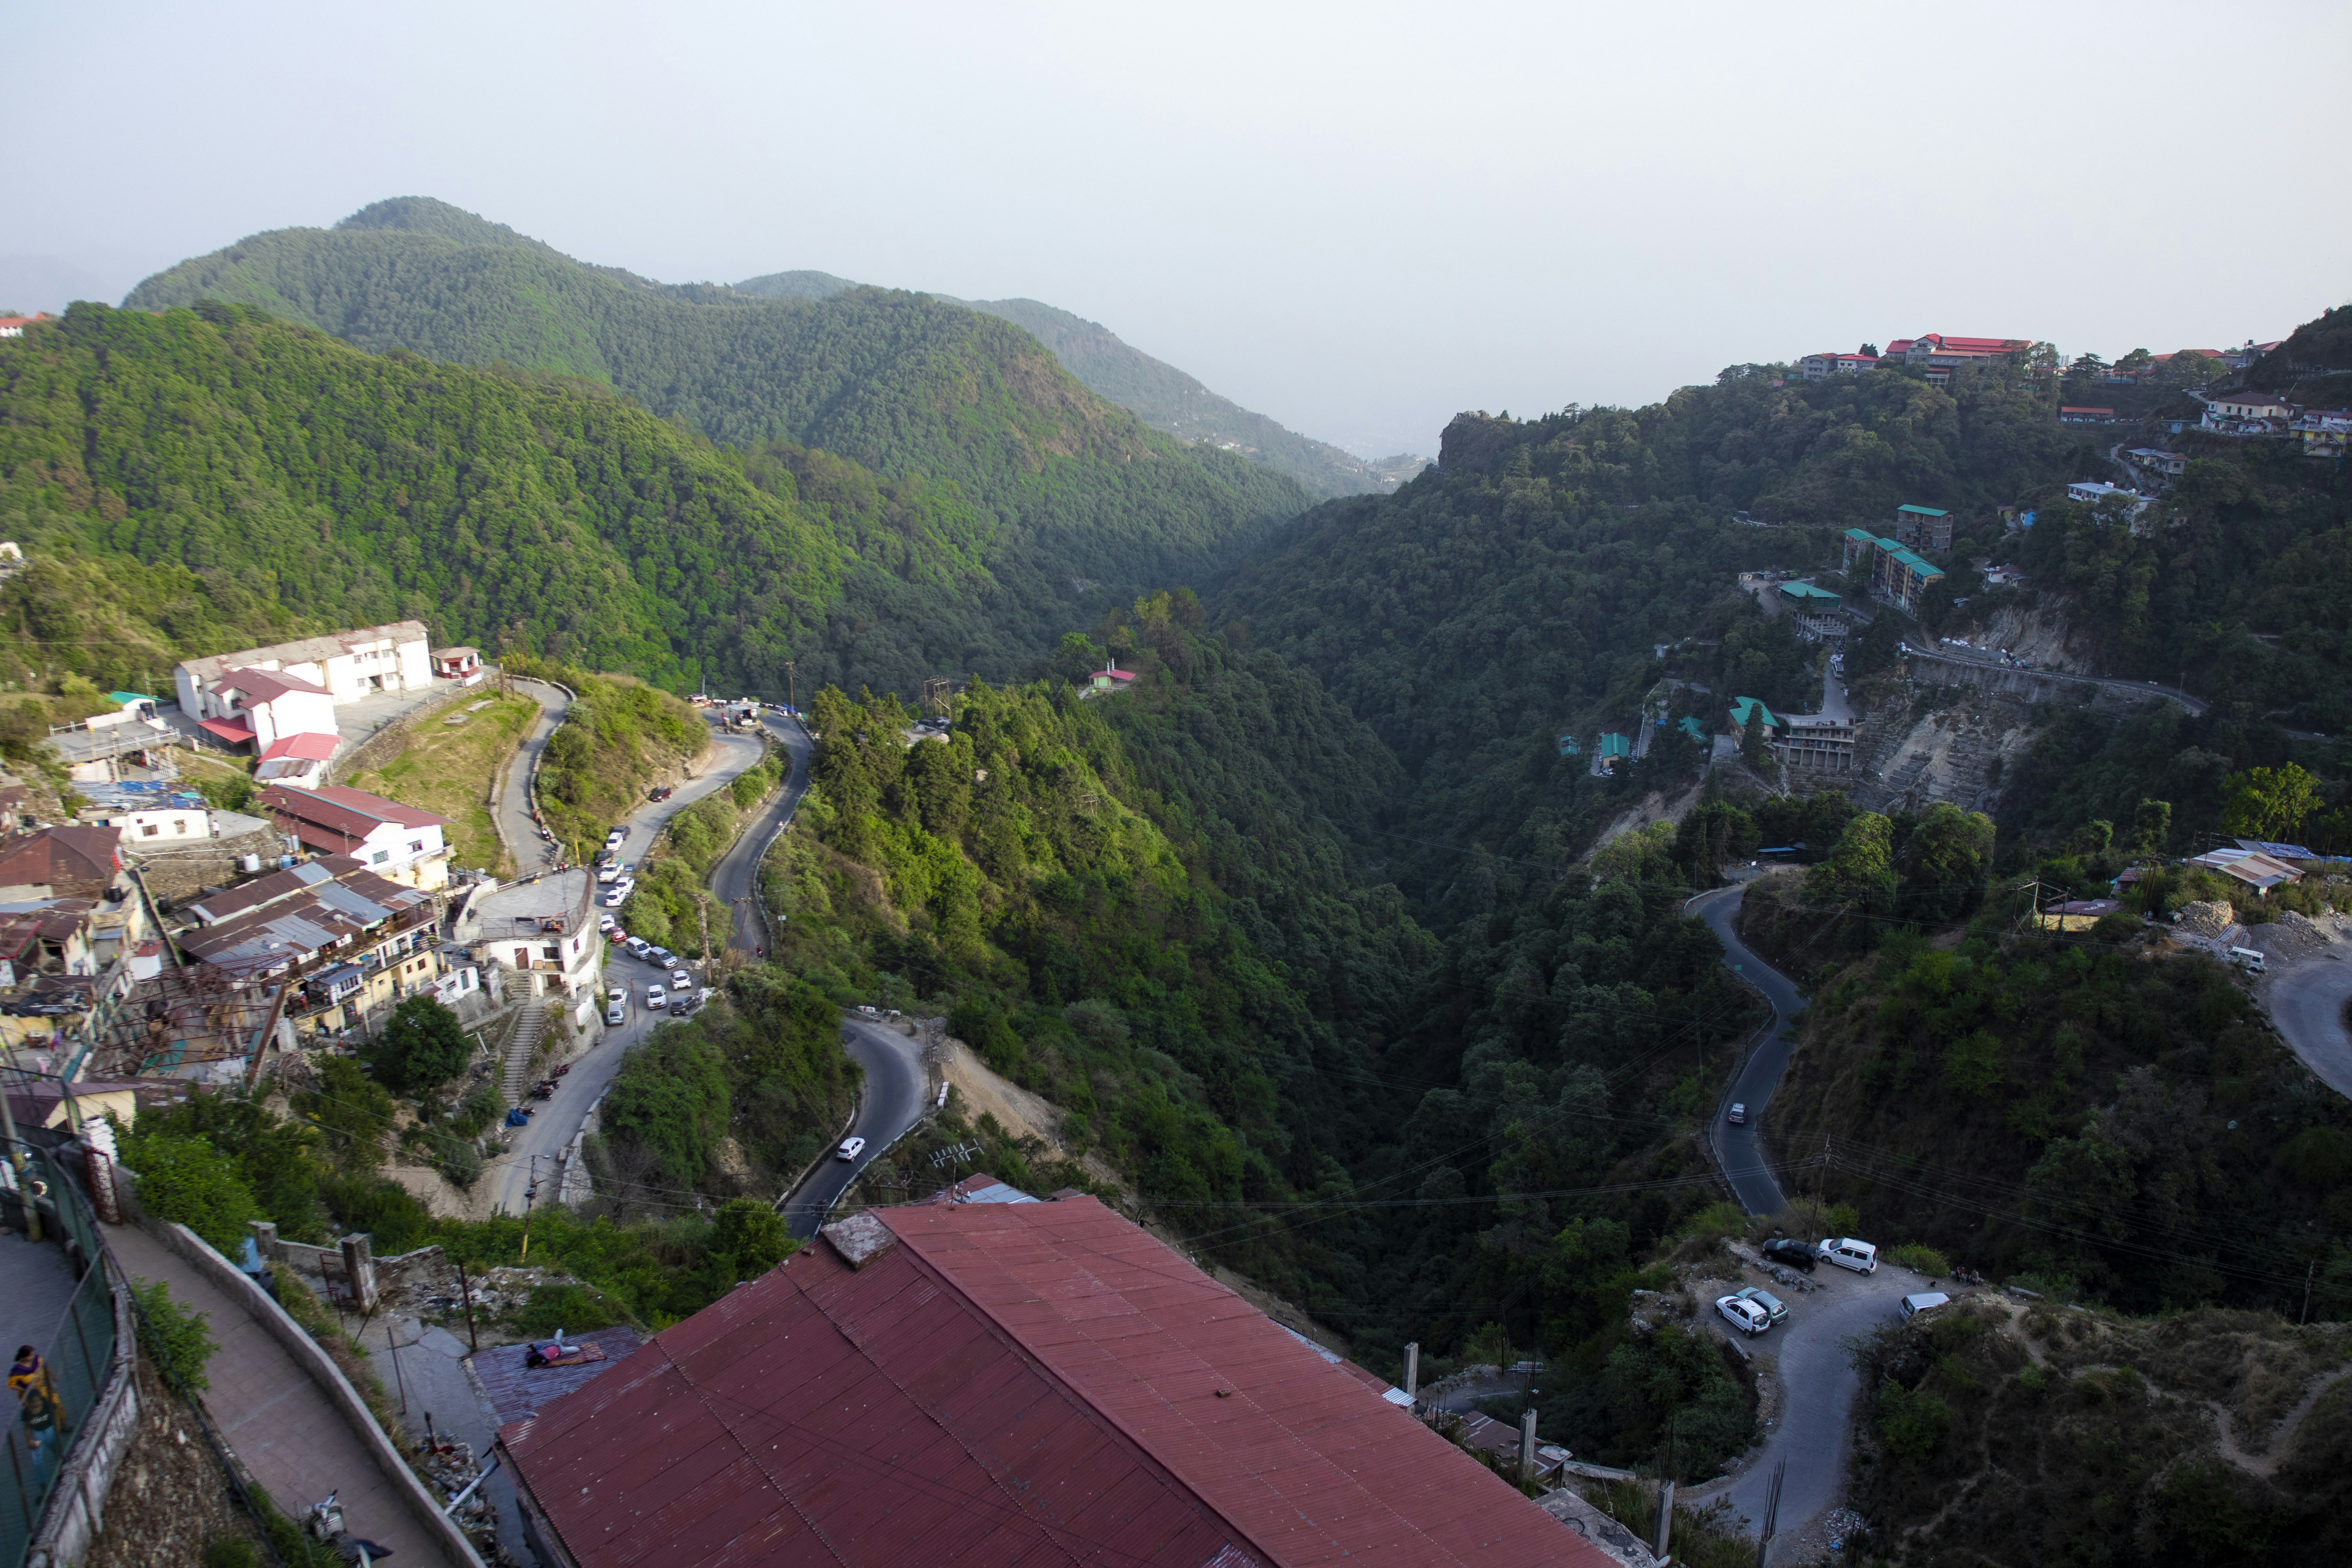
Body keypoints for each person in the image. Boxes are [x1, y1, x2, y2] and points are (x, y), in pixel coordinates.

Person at [11, 1344, 67, 1488]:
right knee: (37, 1460)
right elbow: (26, 1427)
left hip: (48, 1427)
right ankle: (43, 1486)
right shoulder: (18, 1371)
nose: (33, 1356)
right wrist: (29, 1441)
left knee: (57, 1449)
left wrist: (52, 1375)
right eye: (30, 1355)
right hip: (37, 1433)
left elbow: (45, 1367)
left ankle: (64, 1469)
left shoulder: (38, 1361)